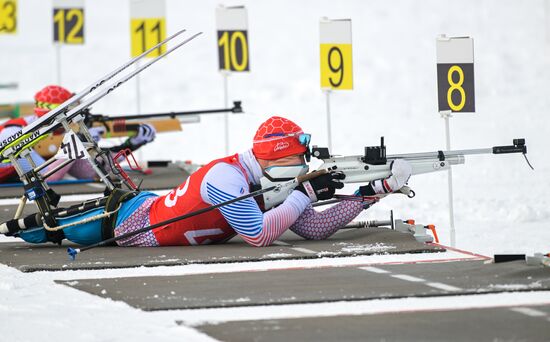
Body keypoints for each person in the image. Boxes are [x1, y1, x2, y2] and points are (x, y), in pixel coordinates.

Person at [1, 116, 412, 247]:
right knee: (45, 230)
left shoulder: (267, 180)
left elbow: (312, 227)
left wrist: (372, 193)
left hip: (141, 212)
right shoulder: (227, 178)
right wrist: (305, 193)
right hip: (126, 222)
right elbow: (258, 236)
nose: (304, 163)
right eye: (298, 156)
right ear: (275, 155)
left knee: (45, 230)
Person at [0, 85, 156, 183]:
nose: (73, 120)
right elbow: (48, 177)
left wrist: (130, 145)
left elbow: (87, 171)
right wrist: (77, 142)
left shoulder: (52, 134)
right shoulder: (14, 134)